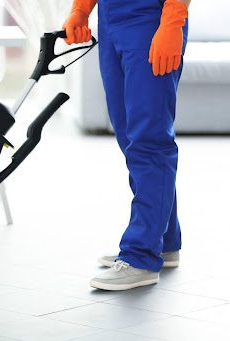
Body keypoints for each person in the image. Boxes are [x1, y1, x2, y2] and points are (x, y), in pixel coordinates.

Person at [62, 0, 190, 290]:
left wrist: (173, 20)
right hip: (111, 20)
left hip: (151, 19)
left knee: (149, 138)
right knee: (129, 135)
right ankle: (164, 241)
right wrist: (80, 10)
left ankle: (141, 255)